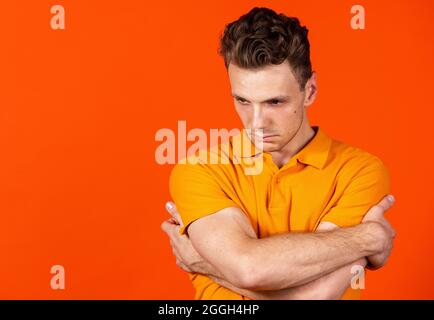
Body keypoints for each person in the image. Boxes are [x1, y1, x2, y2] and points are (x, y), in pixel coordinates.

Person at [161, 7, 396, 300]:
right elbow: (249, 270)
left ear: (309, 91)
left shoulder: (360, 172)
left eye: (274, 102)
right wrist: (367, 238)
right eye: (243, 101)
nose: (257, 122)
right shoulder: (201, 170)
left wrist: (207, 267)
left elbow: (318, 296)